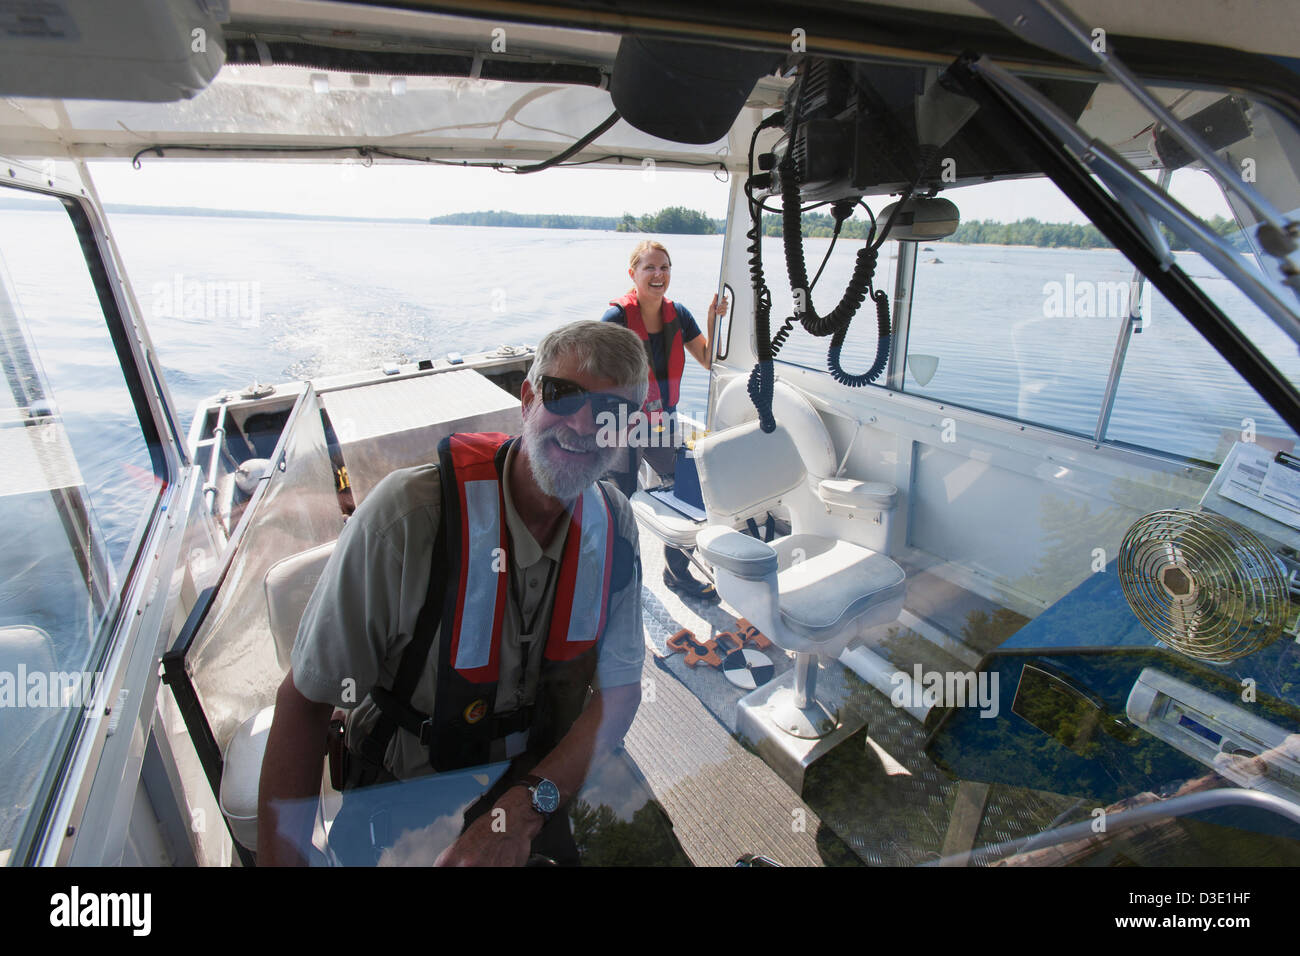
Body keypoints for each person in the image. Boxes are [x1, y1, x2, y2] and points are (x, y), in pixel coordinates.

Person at [257, 320, 649, 866]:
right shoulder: (408, 519)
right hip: (407, 788)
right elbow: (306, 703)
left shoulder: (617, 526)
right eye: (564, 396)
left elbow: (621, 693)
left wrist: (526, 806)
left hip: (542, 776)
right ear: (529, 399)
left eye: (611, 413)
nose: (584, 423)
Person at [602, 239, 728, 599]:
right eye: (650, 268)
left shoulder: (679, 314)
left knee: (688, 492)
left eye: (665, 267)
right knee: (620, 506)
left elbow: (707, 358)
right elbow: (591, 372)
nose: (659, 274)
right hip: (622, 426)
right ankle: (618, 580)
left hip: (661, 424)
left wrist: (712, 320)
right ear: (633, 273)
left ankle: (677, 574)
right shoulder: (616, 319)